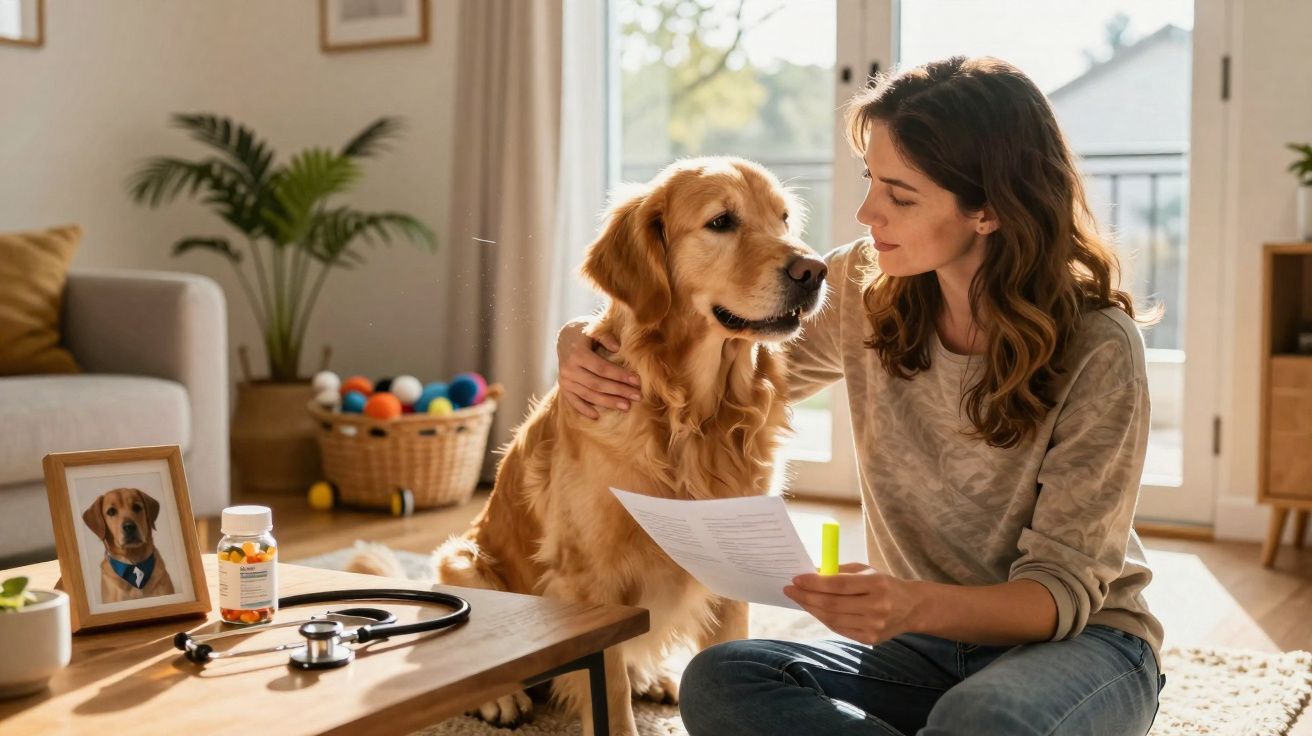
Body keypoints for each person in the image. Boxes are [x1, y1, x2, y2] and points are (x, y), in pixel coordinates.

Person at [556, 56, 1165, 735]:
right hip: (922, 651)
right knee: (725, 679)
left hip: (1083, 645)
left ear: (988, 208)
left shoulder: (1100, 345)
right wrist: (579, 337)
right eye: (872, 180)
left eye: (901, 196)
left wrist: (907, 606)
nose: (866, 212)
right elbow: (700, 360)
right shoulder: (864, 290)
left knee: (983, 717)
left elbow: (1062, 593)